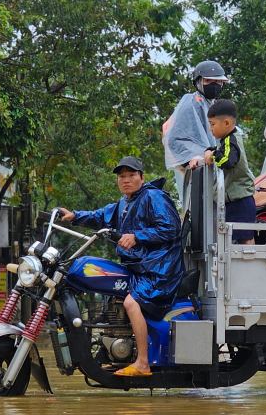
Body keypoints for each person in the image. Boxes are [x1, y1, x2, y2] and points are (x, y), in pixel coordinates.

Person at [61, 156, 184, 377]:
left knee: (130, 302)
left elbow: (171, 228)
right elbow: (100, 216)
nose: (126, 180)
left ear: (142, 177)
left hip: (160, 268)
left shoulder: (153, 196)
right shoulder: (125, 203)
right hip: (141, 268)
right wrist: (74, 216)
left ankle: (143, 362)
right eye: (121, 176)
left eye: (131, 175)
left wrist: (137, 236)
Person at [163, 60, 229, 200]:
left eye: (218, 82)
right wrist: (191, 157)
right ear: (198, 82)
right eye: (208, 81)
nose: (214, 85)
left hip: (216, 171)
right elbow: (174, 138)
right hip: (197, 172)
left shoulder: (214, 105)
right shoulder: (191, 103)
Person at [202, 99, 256, 244]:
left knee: (245, 240)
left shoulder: (231, 141)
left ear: (226, 123)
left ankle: (249, 265)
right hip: (234, 199)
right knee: (235, 240)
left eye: (212, 124)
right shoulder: (227, 140)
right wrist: (212, 150)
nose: (210, 129)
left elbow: (227, 160)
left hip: (241, 200)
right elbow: (223, 152)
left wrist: (212, 156)